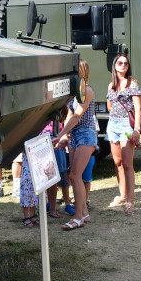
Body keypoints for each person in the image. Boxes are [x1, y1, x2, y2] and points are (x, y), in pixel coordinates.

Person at [54, 59, 97, 230]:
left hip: (86, 134)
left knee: (75, 175)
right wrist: (63, 136)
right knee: (74, 176)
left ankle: (78, 217)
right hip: (75, 136)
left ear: (81, 72)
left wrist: (60, 135)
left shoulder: (87, 90)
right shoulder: (74, 94)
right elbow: (69, 116)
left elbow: (77, 116)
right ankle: (84, 213)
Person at [106, 54, 141, 213]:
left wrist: (137, 129)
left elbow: (138, 108)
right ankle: (122, 195)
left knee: (127, 163)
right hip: (113, 124)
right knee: (118, 162)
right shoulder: (111, 85)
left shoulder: (132, 83)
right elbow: (109, 105)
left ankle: (130, 201)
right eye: (120, 63)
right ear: (114, 66)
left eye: (126, 63)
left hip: (127, 125)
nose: (123, 65)